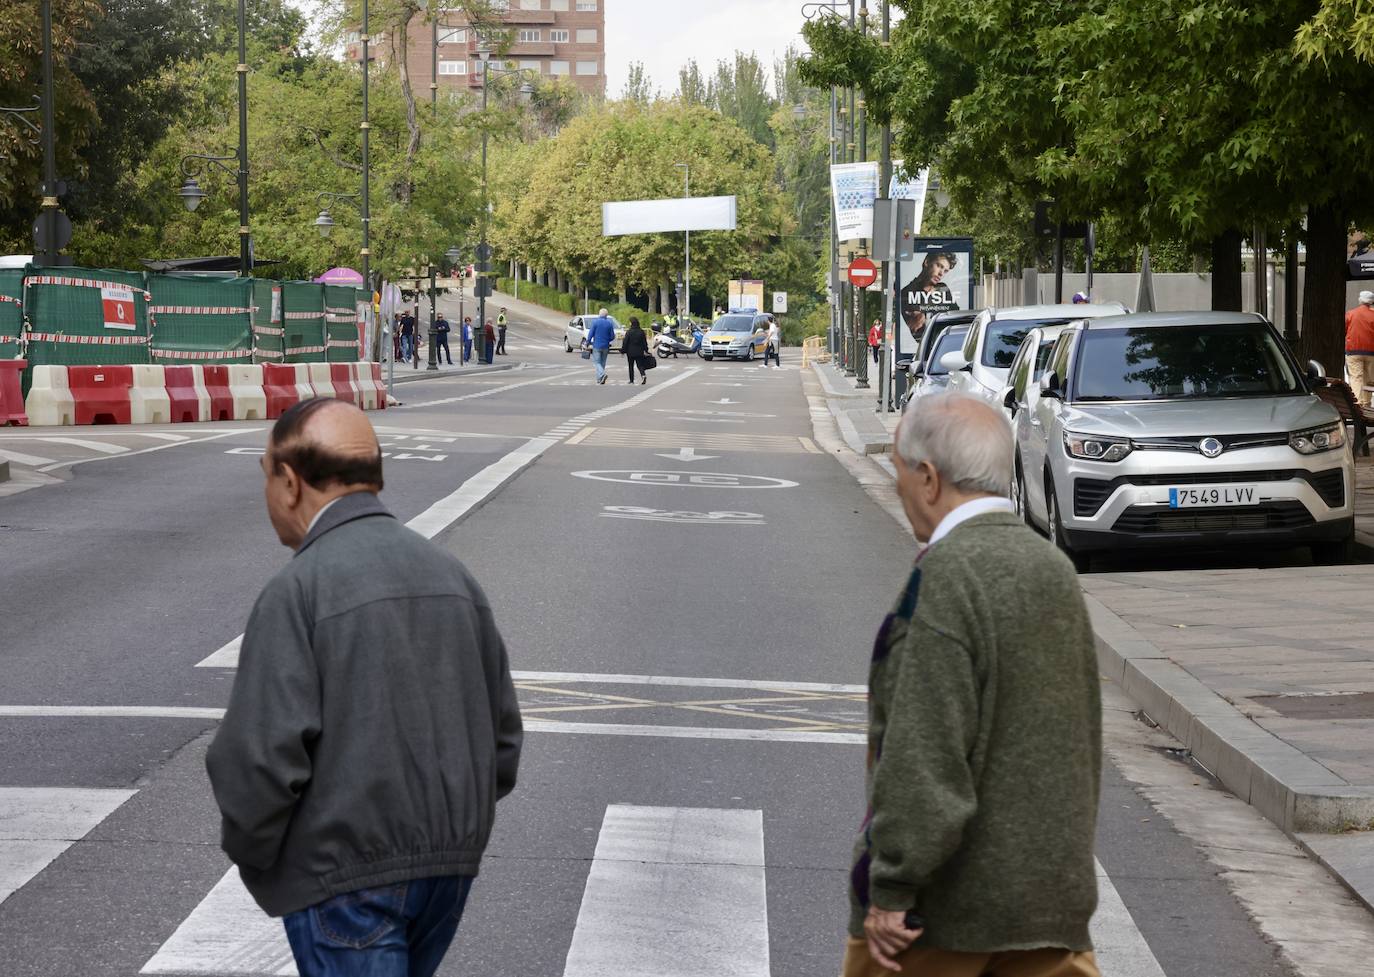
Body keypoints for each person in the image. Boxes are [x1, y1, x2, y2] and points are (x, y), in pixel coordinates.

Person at [206, 398, 522, 977]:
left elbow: (257, 760)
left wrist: (269, 863)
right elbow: (501, 742)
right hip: (447, 869)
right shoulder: (451, 576)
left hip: (343, 873)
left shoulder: (300, 588)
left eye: (267, 478)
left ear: (289, 480)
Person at [845, 392, 1101, 977]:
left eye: (899, 474)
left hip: (944, 920)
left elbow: (924, 751)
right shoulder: (1052, 568)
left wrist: (892, 886)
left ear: (928, 478)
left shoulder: (945, 578)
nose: (897, 488)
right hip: (1050, 907)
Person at [902, 252, 958, 337]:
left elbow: (956, 316)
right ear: (927, 262)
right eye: (939, 266)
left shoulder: (943, 289)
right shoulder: (907, 292)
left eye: (945, 271)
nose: (941, 273)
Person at [1347, 291, 1374, 406]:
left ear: (1360, 300)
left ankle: (1357, 403)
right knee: (1368, 379)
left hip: (1354, 351)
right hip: (1371, 351)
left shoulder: (1351, 313)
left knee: (1356, 377)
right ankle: (1366, 402)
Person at [586, 307, 616, 385]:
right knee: (602, 362)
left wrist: (588, 342)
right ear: (606, 315)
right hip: (606, 346)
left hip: (597, 345)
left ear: (599, 314)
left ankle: (602, 375)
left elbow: (591, 334)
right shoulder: (609, 323)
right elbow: (612, 336)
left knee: (596, 362)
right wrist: (607, 340)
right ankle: (599, 379)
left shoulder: (595, 323)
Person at [622, 316, 650, 385]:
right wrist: (646, 350)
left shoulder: (629, 332)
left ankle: (631, 380)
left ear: (631, 323)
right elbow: (644, 342)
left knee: (631, 366)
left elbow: (625, 342)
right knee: (640, 365)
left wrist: (623, 350)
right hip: (639, 351)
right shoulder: (641, 332)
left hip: (630, 352)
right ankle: (643, 375)